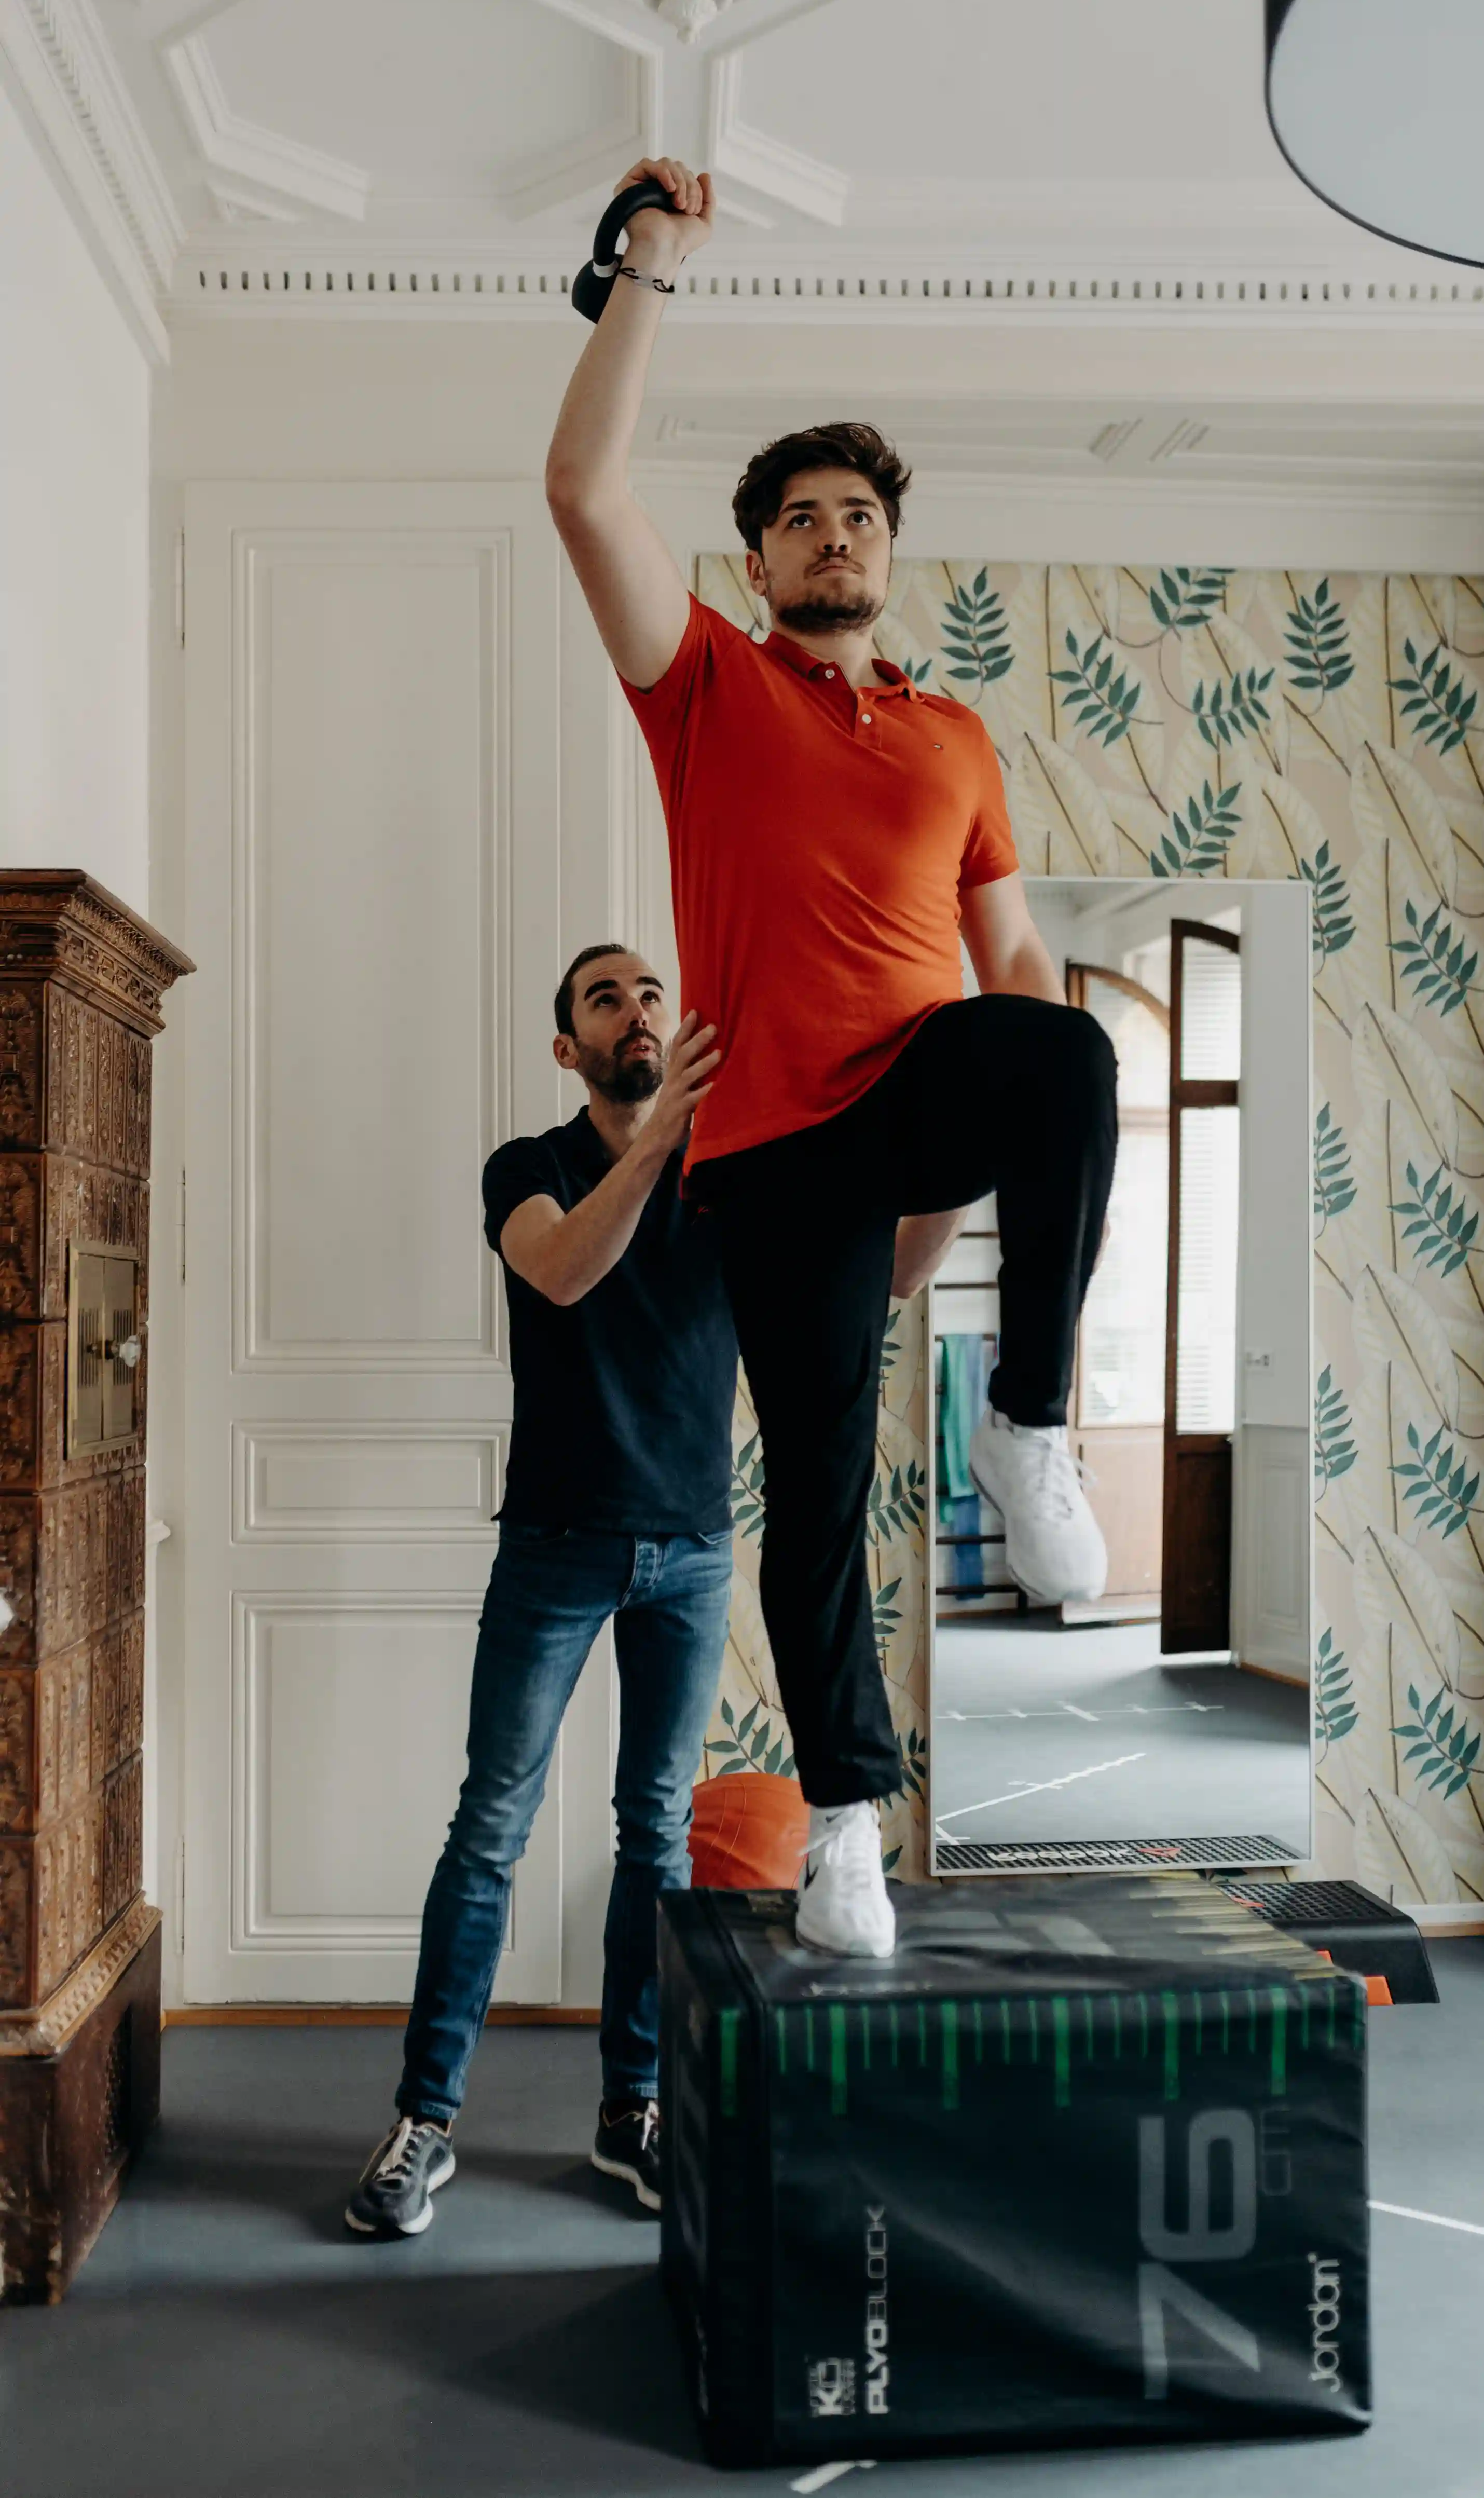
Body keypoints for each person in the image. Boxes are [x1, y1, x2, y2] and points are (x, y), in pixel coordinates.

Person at [544, 158, 1118, 1966]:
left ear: (888, 545)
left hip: (908, 1100)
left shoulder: (952, 737)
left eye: (856, 511)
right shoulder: (703, 685)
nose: (831, 533)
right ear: (761, 554)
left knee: (1073, 1054)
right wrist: (647, 260)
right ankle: (848, 1826)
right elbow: (578, 488)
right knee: (809, 1488)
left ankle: (1027, 1420)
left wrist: (947, 1198)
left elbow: (1010, 963)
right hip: (776, 1152)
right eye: (797, 514)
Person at [345, 946, 736, 2238]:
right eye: (605, 1000)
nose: (638, 1012)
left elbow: (881, 1271)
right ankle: (425, 2123)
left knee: (657, 1834)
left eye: (649, 995)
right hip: (559, 1544)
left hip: (693, 1546)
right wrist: (661, 1135)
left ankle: (632, 2111)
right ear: (571, 1048)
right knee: (492, 1828)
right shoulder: (528, 1167)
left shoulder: (728, 1165)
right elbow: (566, 1268)